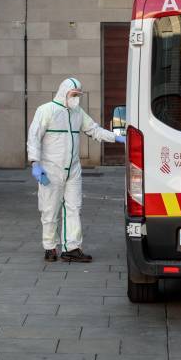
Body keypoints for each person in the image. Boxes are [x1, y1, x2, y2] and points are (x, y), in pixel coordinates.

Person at [27, 77, 125, 263]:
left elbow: (94, 130)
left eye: (78, 95)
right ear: (64, 92)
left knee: (74, 207)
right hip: (50, 169)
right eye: (74, 95)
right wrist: (35, 163)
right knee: (50, 209)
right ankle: (50, 247)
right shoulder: (46, 110)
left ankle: (72, 247)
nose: (76, 98)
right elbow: (34, 137)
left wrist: (117, 138)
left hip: (73, 169)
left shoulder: (77, 112)